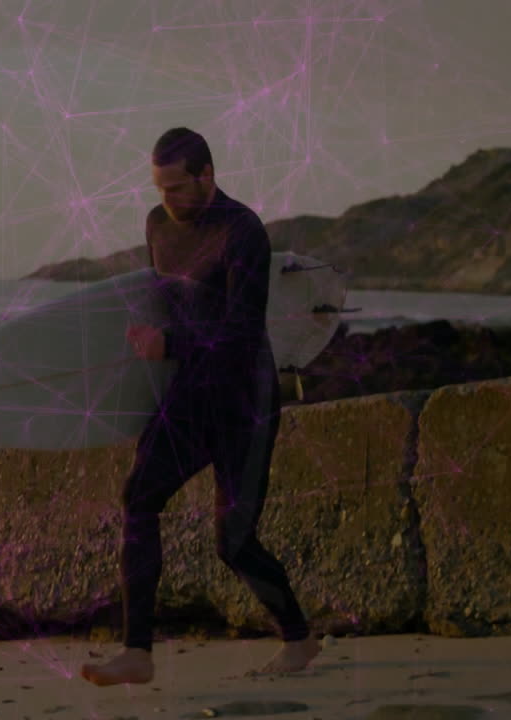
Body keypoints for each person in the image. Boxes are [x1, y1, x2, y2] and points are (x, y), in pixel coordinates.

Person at [80, 127, 320, 686]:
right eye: (159, 188)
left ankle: (299, 637)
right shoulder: (158, 225)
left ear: (207, 175)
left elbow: (241, 330)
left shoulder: (244, 231)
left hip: (243, 400)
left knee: (233, 542)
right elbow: (163, 299)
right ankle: (136, 651)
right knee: (139, 497)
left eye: (176, 187)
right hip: (189, 394)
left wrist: (171, 347)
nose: (167, 200)